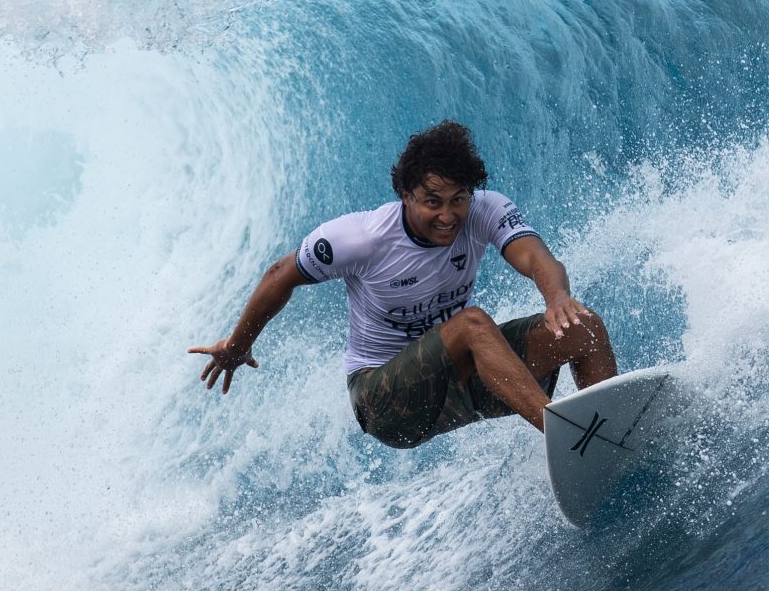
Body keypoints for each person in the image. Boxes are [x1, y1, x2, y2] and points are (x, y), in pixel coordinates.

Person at [192, 121, 617, 448]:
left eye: (458, 199)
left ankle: (609, 433)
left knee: (584, 328)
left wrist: (557, 296)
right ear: (405, 194)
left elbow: (536, 256)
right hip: (386, 403)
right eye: (433, 201)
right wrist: (237, 346)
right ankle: (576, 441)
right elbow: (279, 275)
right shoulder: (362, 238)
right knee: (471, 325)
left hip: (467, 385)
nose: (449, 215)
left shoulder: (486, 210)